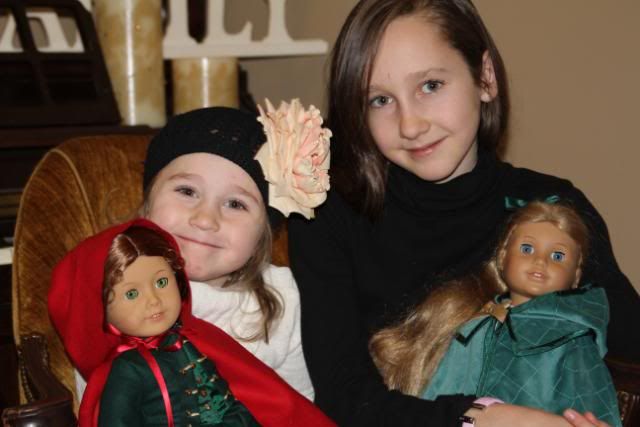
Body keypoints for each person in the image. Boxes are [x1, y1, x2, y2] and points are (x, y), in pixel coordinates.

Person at [287, 0, 639, 426]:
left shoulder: (551, 210)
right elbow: (345, 399)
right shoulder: (327, 213)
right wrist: (481, 420)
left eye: (431, 85)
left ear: (485, 77)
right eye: (380, 100)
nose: (410, 125)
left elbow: (630, 354)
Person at [48, 219, 335, 426]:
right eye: (132, 293)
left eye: (162, 282)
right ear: (101, 308)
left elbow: (228, 400)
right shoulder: (127, 370)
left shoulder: (190, 342)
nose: (154, 300)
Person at [370, 200, 622, 427]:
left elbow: (592, 399)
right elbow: (441, 391)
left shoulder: (571, 338)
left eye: (557, 256)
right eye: (527, 249)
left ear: (576, 275)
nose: (541, 261)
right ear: (502, 257)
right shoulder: (476, 322)